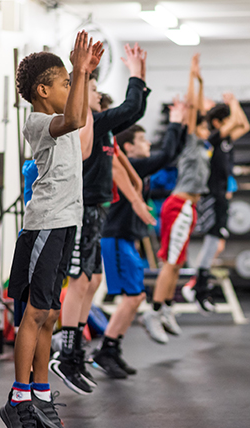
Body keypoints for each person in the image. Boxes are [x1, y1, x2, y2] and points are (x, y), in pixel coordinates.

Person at [0, 31, 102, 428]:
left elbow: (80, 120)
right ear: (44, 90)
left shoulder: (64, 122)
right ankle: (19, 399)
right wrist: (78, 71)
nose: (69, 88)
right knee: (34, 312)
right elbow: (75, 117)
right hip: (45, 225)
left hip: (66, 223)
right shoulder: (39, 122)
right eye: (62, 83)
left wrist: (82, 75)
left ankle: (40, 394)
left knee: (50, 314)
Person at [49, 42, 155, 396]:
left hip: (96, 208)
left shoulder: (101, 125)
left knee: (92, 281)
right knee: (80, 281)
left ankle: (75, 351)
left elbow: (120, 173)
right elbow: (134, 107)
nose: (98, 94)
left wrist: (137, 199)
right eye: (93, 90)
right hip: (80, 209)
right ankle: (67, 353)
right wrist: (136, 73)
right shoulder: (85, 120)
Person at [94, 106, 186, 378]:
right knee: (133, 298)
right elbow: (167, 154)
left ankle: (111, 349)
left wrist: (182, 127)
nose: (148, 144)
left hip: (125, 240)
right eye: (143, 140)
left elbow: (173, 155)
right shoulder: (132, 165)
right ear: (129, 148)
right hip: (116, 239)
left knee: (135, 298)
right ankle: (105, 351)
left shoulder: (138, 170)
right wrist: (175, 122)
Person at [141, 53, 212, 343]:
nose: (206, 129)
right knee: (170, 263)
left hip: (188, 207)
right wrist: (195, 77)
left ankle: (167, 307)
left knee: (178, 263)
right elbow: (194, 108)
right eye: (203, 125)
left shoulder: (203, 146)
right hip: (178, 205)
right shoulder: (191, 142)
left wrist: (201, 81)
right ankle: (153, 312)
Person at [182, 93, 250, 312]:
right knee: (213, 240)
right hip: (211, 195)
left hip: (221, 194)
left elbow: (243, 125)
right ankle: (198, 286)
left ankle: (198, 284)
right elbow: (235, 122)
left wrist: (234, 105)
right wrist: (233, 103)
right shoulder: (212, 139)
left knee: (217, 242)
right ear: (218, 123)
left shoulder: (226, 140)